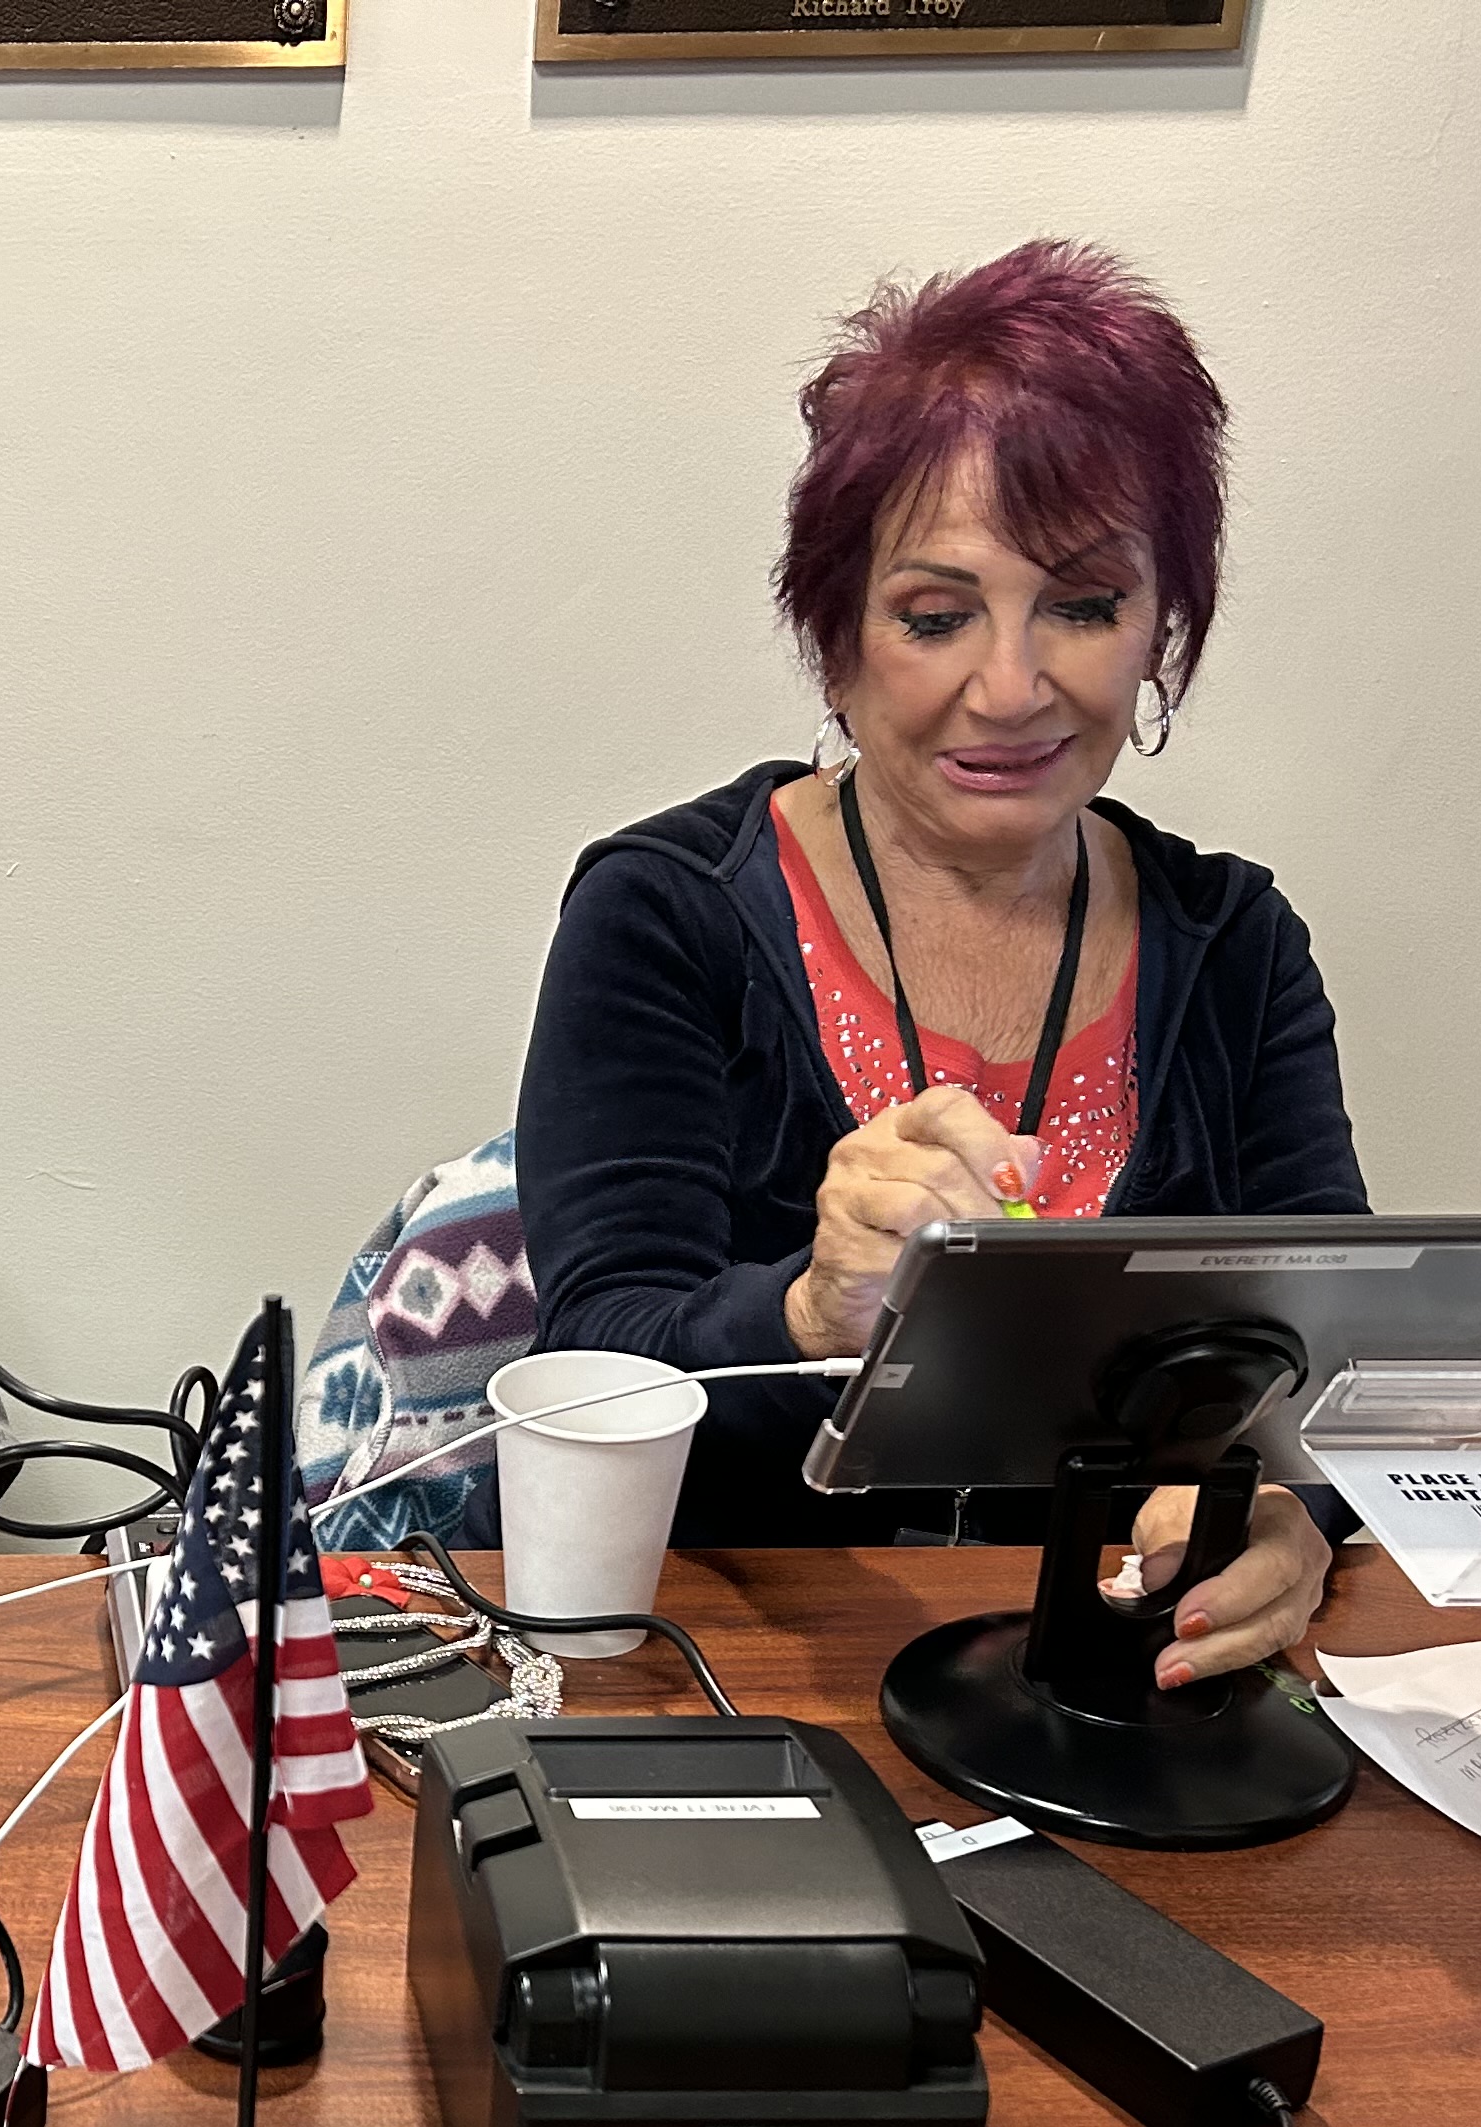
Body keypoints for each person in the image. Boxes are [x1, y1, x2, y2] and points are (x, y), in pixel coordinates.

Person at [515, 240, 1364, 1690]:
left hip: (1118, 1683)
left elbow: (1324, 1371)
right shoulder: (664, 914)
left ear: (1164, 627)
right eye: (935, 615)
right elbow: (598, 1365)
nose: (1013, 686)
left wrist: (1297, 1520)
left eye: (1086, 606)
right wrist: (804, 1313)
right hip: (744, 1663)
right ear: (835, 639)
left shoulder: (1238, 949)